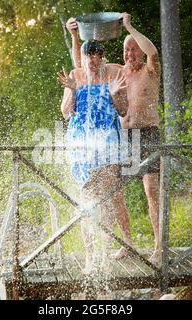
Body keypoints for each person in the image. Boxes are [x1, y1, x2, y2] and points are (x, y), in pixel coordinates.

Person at [66, 13, 162, 266]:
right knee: (114, 193)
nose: (129, 54)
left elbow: (152, 52)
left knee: (151, 190)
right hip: (121, 138)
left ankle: (158, 247)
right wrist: (75, 36)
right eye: (126, 50)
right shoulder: (115, 71)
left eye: (133, 50)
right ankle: (128, 244)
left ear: (140, 51)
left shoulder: (144, 70)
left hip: (147, 134)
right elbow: (84, 67)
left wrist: (129, 26)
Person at [57, 40, 129, 274]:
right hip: (83, 150)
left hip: (107, 147)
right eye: (89, 56)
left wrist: (116, 94)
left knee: (108, 202)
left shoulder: (114, 74)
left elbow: (123, 110)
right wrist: (72, 91)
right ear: (83, 57)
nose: (93, 60)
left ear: (103, 57)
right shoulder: (75, 75)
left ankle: (106, 253)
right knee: (86, 204)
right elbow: (67, 112)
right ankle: (89, 257)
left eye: (97, 56)